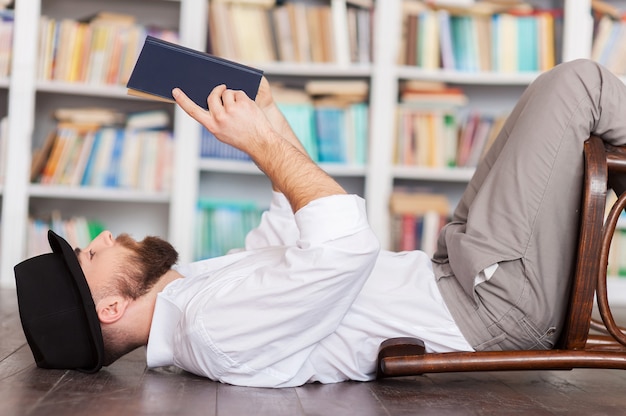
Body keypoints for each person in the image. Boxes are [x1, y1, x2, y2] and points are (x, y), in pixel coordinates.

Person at [14, 58, 626, 388]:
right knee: (579, 86)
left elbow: (294, 221)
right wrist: (262, 148)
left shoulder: (196, 293)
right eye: (91, 257)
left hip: (457, 275)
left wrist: (270, 125)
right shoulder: (212, 329)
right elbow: (345, 244)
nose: (99, 239)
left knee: (541, 108)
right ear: (112, 310)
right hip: (488, 306)